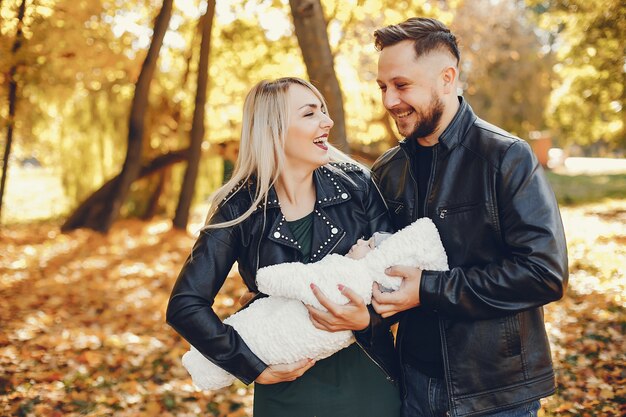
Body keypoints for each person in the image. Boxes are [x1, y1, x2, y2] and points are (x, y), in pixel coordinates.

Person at [368, 17, 568, 417]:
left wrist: (428, 288)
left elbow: (544, 273)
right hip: (412, 386)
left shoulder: (506, 157)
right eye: (383, 87)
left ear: (447, 78)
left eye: (402, 85)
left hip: (495, 393)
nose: (390, 100)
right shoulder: (385, 171)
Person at [166, 77, 401, 417]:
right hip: (286, 394)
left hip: (370, 381)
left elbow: (399, 274)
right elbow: (185, 306)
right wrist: (251, 366)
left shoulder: (357, 185)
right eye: (310, 114)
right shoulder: (239, 207)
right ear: (274, 129)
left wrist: (368, 318)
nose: (327, 121)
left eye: (323, 110)